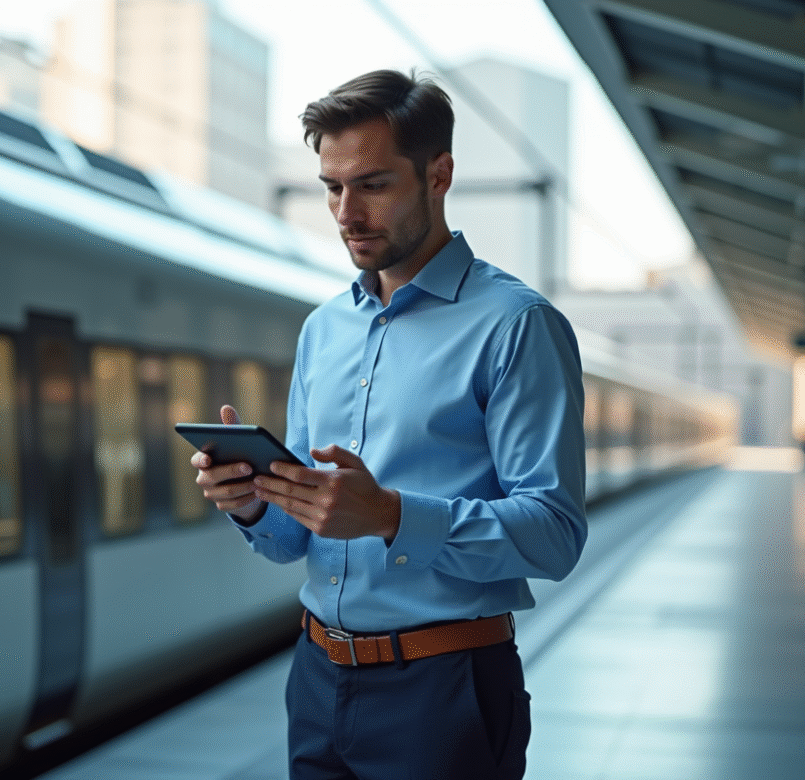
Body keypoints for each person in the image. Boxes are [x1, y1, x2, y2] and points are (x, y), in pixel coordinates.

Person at [191, 69, 587, 780]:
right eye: (331, 187)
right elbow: (294, 542)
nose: (346, 212)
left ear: (440, 175)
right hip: (316, 678)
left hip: (446, 687)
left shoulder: (515, 326)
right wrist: (253, 500)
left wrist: (390, 515)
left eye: (372, 185)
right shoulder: (323, 330)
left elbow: (555, 534)